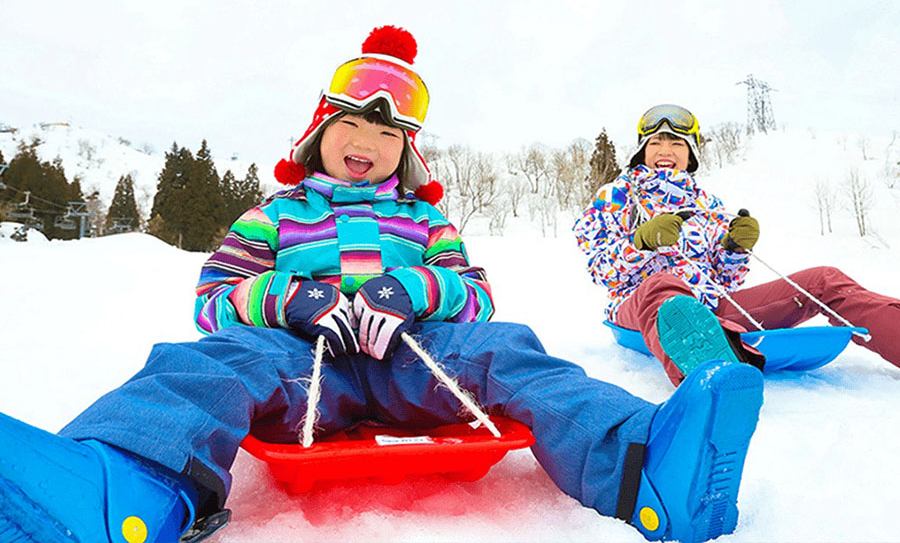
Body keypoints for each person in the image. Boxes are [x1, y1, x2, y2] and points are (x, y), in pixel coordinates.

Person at [0, 30, 764, 543]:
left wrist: (411, 293)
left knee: (509, 349)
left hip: (419, 362)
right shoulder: (276, 215)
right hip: (300, 369)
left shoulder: (424, 222)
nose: (368, 143)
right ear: (318, 134)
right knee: (203, 364)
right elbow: (214, 293)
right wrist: (286, 300)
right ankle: (122, 488)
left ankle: (647, 463)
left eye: (388, 134)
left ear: (407, 153)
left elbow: (473, 291)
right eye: (352, 128)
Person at [573, 103, 900, 386]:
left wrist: (734, 249)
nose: (665, 151)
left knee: (825, 279)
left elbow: (725, 281)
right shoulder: (616, 196)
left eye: (676, 143)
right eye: (656, 142)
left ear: (691, 154)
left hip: (712, 308)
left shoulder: (706, 203)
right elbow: (602, 271)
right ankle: (717, 374)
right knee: (664, 286)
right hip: (640, 307)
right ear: (643, 150)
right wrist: (640, 242)